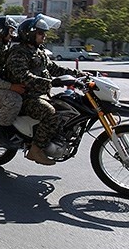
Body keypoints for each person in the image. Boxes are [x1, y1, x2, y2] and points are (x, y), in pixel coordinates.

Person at [5, 14, 85, 166]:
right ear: (29, 34)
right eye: (40, 33)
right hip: (25, 97)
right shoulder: (18, 52)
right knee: (50, 114)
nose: (44, 36)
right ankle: (35, 150)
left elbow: (54, 68)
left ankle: (55, 139)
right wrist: (51, 83)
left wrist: (78, 74)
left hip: (41, 94)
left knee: (67, 108)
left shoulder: (38, 51)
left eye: (44, 33)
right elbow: (24, 77)